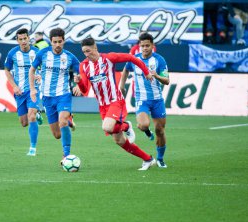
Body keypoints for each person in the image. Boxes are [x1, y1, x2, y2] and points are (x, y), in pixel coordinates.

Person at [74, 38, 156, 171]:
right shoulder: (83, 66)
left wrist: (146, 72)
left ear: (95, 48)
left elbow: (132, 58)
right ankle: (148, 159)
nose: (86, 54)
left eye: (88, 51)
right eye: (84, 52)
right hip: (102, 105)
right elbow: (84, 90)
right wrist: (79, 82)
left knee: (106, 127)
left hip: (115, 100)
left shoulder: (109, 58)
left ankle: (125, 126)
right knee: (119, 141)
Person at [120, 32, 170, 168]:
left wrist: (157, 76)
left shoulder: (159, 60)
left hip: (157, 100)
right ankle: (146, 131)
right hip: (142, 99)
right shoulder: (134, 59)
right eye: (142, 46)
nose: (145, 48)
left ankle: (160, 158)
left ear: (152, 46)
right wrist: (121, 85)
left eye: (147, 45)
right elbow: (125, 70)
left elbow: (167, 80)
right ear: (139, 46)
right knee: (143, 125)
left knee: (160, 130)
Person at [29, 27, 78, 162]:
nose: (57, 45)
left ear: (64, 41)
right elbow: (32, 70)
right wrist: (33, 89)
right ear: (50, 41)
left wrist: (79, 83)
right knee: (57, 135)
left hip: (63, 95)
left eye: (60, 42)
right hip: (47, 97)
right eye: (54, 42)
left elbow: (81, 71)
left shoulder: (69, 57)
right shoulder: (42, 54)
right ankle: (68, 120)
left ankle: (66, 155)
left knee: (62, 121)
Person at [4, 28, 43, 156]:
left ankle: (33, 148)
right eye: (20, 39)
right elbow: (7, 70)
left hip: (34, 90)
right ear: (17, 40)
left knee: (30, 115)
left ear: (28, 38)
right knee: (24, 123)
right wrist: (14, 86)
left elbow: (46, 68)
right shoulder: (12, 53)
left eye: (25, 38)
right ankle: (37, 116)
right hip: (20, 92)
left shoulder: (37, 52)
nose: (23, 41)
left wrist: (40, 75)